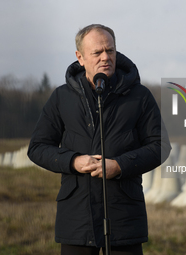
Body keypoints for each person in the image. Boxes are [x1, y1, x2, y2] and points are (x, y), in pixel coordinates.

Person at [28, 24, 171, 255]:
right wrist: (73, 161)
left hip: (124, 218)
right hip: (77, 219)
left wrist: (120, 166)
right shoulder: (61, 97)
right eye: (97, 52)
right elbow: (37, 148)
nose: (106, 57)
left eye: (110, 51)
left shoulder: (139, 96)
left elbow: (161, 146)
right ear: (80, 57)